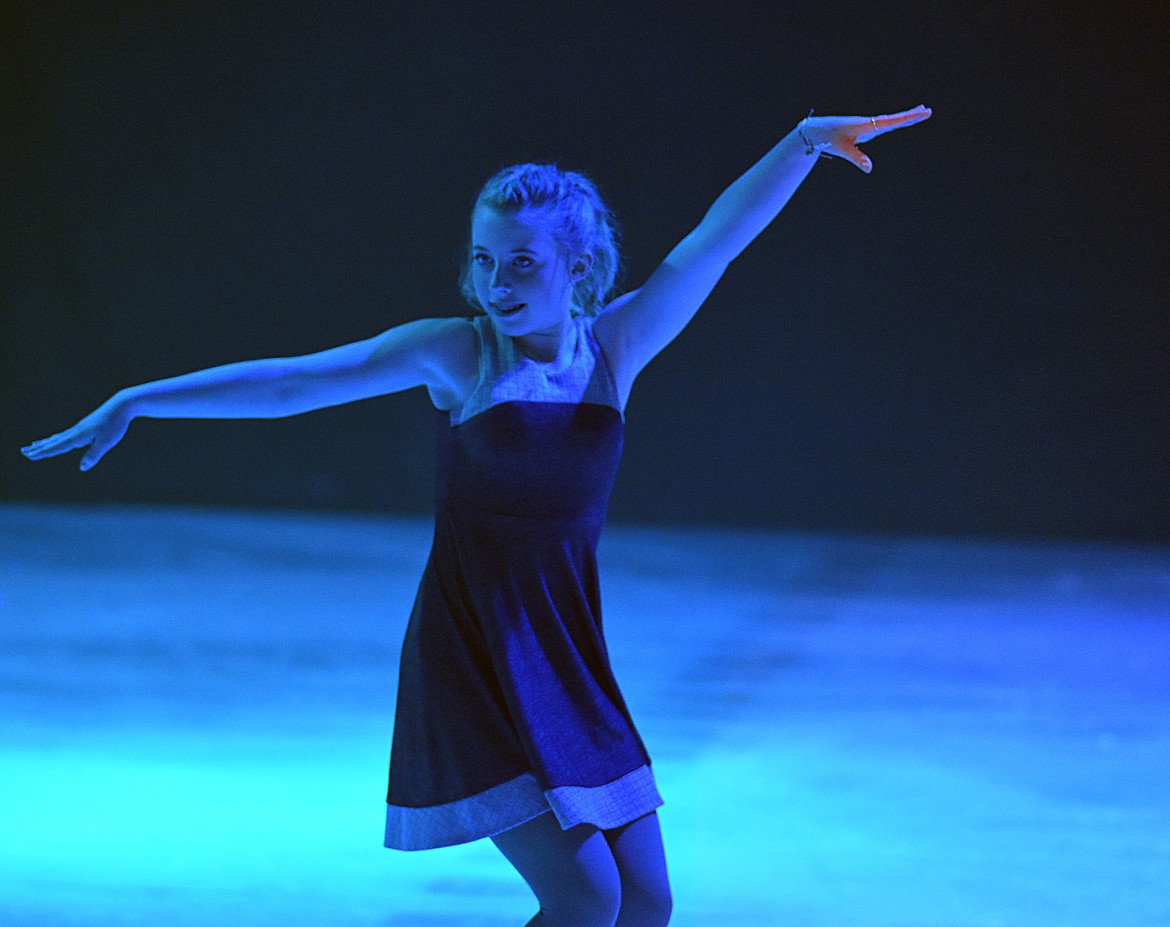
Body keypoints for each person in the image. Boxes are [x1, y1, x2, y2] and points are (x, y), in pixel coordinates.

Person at [22, 105, 932, 927]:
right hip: (472, 656)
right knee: (584, 898)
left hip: (570, 657)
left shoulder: (617, 348)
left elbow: (713, 243)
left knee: (646, 902)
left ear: (578, 267)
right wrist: (140, 397)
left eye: (523, 262)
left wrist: (805, 141)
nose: (496, 280)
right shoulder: (459, 356)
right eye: (484, 259)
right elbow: (296, 381)